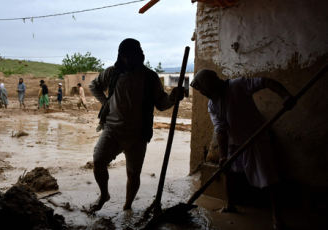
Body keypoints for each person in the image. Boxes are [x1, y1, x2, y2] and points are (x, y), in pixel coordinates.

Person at [190, 69, 294, 230]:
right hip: (234, 142)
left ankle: (277, 217)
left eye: (203, 89)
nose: (202, 93)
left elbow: (266, 82)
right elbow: (221, 130)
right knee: (228, 172)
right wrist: (223, 156)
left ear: (211, 84)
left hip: (257, 139)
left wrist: (285, 96)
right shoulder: (212, 104)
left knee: (268, 178)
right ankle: (230, 204)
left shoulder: (238, 85)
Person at [88, 38, 184, 212]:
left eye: (138, 53)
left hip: (138, 134)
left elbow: (161, 104)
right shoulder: (112, 73)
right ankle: (104, 195)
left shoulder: (149, 77)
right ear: (122, 56)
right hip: (112, 131)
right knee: (98, 161)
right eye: (131, 55)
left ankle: (127, 206)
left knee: (133, 174)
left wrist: (172, 98)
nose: (136, 57)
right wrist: (106, 103)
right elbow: (93, 85)